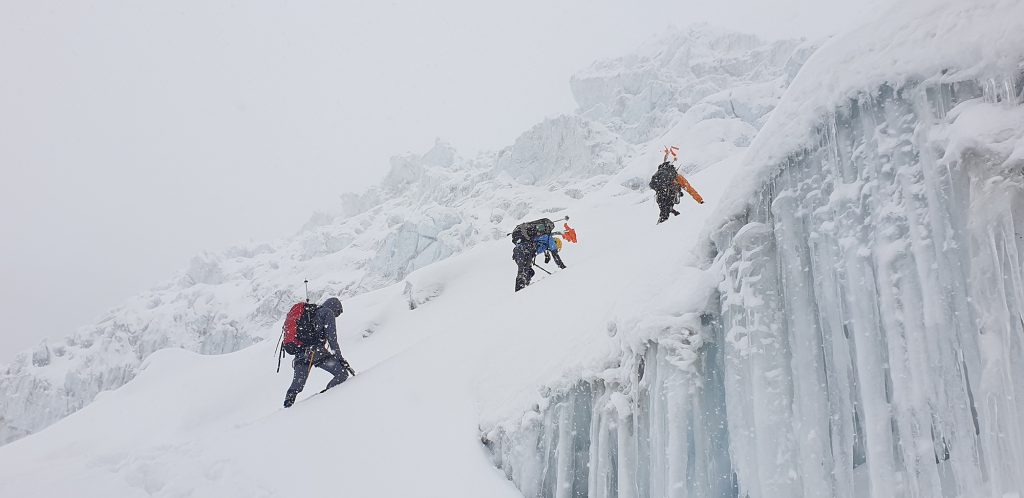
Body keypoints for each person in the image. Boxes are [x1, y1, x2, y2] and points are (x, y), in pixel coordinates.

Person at [284, 297, 351, 408]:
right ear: (334, 307)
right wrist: (340, 359)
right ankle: (325, 399)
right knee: (342, 373)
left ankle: (287, 407)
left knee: (297, 385)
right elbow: (332, 339)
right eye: (337, 313)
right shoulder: (327, 312)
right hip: (316, 352)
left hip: (300, 352)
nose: (336, 316)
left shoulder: (312, 313)